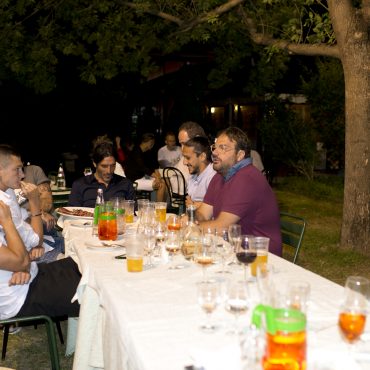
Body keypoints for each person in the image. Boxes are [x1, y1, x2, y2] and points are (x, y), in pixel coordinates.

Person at [0, 144, 81, 320]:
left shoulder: (8, 196)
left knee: (82, 267)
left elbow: (32, 240)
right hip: (17, 295)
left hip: (29, 274)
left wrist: (24, 262)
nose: (22, 175)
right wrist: (35, 202)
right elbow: (22, 256)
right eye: (17, 169)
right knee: (92, 291)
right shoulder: (3, 206)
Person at [195, 126, 282, 256]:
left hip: (260, 257)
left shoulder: (247, 178)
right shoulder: (219, 176)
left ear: (240, 155)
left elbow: (221, 228)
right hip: (232, 248)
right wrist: (189, 219)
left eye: (223, 148)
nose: (214, 152)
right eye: (215, 147)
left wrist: (191, 229)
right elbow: (203, 213)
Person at [16, 164, 64, 262]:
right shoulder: (6, 192)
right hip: (26, 235)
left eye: (21, 168)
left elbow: (47, 200)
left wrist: (40, 213)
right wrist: (34, 213)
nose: (21, 175)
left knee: (72, 245)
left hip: (40, 229)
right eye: (16, 169)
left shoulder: (34, 170)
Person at [68, 139, 135, 207]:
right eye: (104, 166)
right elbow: (72, 213)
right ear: (94, 163)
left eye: (113, 165)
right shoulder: (80, 185)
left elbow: (134, 212)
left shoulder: (126, 184)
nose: (109, 171)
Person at [124, 133, 166, 201]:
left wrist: (158, 177)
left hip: (142, 177)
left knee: (163, 182)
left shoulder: (146, 152)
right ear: (149, 142)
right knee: (160, 185)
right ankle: (159, 209)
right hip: (134, 181)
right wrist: (156, 177)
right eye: (152, 143)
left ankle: (161, 207)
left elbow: (153, 166)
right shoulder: (136, 151)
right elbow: (142, 167)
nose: (153, 145)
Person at [182, 136, 216, 209]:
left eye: (188, 158)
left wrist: (194, 205)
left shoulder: (213, 177)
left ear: (202, 156)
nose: (184, 162)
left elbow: (218, 205)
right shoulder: (193, 174)